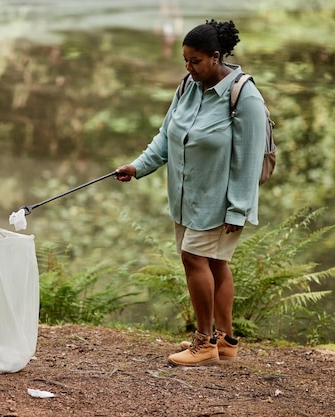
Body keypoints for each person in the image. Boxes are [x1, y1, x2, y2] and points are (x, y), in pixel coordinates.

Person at [115, 20, 266, 366]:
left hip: (220, 202)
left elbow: (248, 158)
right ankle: (227, 341)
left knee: (192, 258)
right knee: (215, 263)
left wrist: (238, 209)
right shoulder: (188, 86)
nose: (188, 67)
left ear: (215, 57)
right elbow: (166, 135)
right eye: (185, 60)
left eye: (194, 61)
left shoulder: (245, 97)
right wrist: (138, 167)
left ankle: (204, 342)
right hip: (185, 199)